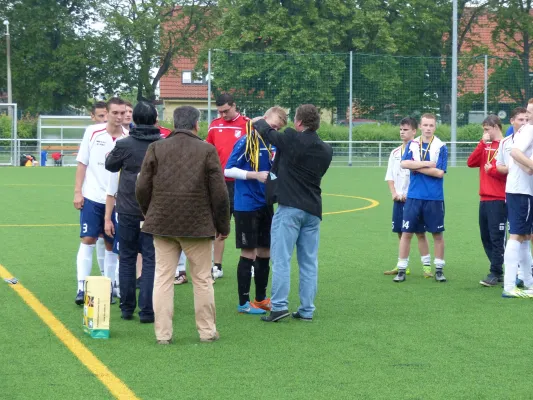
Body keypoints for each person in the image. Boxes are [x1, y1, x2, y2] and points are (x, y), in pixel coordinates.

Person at [136, 106, 230, 344]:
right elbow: (219, 193)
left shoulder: (156, 147)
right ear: (197, 125)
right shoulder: (207, 150)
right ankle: (207, 332)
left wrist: (149, 213)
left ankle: (163, 334)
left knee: (163, 278)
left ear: (174, 123)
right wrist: (223, 225)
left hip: (162, 223)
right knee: (202, 279)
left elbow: (142, 186)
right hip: (197, 225)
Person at [252, 104, 332, 323]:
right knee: (308, 262)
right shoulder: (326, 149)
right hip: (313, 210)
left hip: (289, 208)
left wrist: (258, 119)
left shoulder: (290, 138)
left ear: (298, 122)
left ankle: (278, 307)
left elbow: (265, 130)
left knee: (281, 259)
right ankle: (307, 309)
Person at [224, 106, 288, 315]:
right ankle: (243, 303)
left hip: (265, 204)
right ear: (264, 120)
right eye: (272, 126)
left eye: (277, 129)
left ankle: (260, 299)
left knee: (265, 252)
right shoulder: (246, 141)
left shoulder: (273, 144)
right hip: (246, 205)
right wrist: (254, 175)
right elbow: (228, 169)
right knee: (249, 252)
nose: (274, 130)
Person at [105, 101, 162, 322]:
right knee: (150, 259)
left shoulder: (125, 144)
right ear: (155, 120)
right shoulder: (161, 144)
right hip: (153, 209)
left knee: (127, 257)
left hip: (128, 207)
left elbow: (110, 165)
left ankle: (127, 308)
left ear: (134, 119)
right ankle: (147, 310)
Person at [73, 97, 128, 305]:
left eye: (123, 113)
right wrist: (78, 192)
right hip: (92, 196)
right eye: (115, 113)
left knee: (111, 243)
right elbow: (82, 164)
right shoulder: (93, 132)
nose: (119, 117)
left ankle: (110, 285)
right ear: (107, 112)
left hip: (115, 201)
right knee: (88, 239)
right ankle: (81, 286)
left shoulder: (127, 138)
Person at [393, 113, 448, 283]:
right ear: (421, 127)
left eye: (431, 125)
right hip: (414, 196)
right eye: (425, 125)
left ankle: (438, 269)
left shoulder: (441, 146)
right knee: (406, 233)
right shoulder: (413, 144)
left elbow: (439, 173)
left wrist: (416, 167)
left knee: (437, 234)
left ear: (435, 127)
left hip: (434, 197)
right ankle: (401, 269)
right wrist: (426, 164)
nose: (428, 128)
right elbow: (404, 164)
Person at [206, 94, 250, 279]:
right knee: (218, 225)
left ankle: (250, 264)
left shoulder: (248, 124)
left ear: (234, 106)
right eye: (220, 111)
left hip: (242, 184)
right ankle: (217, 266)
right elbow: (208, 151)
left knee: (245, 224)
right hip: (219, 183)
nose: (223, 114)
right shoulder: (214, 125)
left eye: (226, 110)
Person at [383, 117, 431, 277]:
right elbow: (390, 176)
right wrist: (394, 193)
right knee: (400, 232)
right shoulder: (395, 152)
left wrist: (409, 194)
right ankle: (403, 265)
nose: (402, 132)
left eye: (406, 129)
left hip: (415, 199)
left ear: (414, 131)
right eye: (401, 129)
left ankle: (427, 268)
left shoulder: (420, 152)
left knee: (420, 233)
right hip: (398, 199)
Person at [467, 115, 507, 287]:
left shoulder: (506, 146)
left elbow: (508, 172)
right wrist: (482, 143)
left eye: (486, 129)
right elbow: (471, 162)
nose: (485, 133)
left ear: (496, 127)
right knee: (486, 237)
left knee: (497, 236)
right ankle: (498, 269)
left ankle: (495, 271)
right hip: (484, 198)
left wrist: (492, 171)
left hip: (499, 198)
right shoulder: (485, 145)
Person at [499, 122, 533, 298]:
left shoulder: (524, 131)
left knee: (525, 236)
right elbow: (516, 154)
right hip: (522, 191)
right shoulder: (529, 130)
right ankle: (510, 286)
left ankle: (528, 283)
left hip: (519, 190)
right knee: (518, 235)